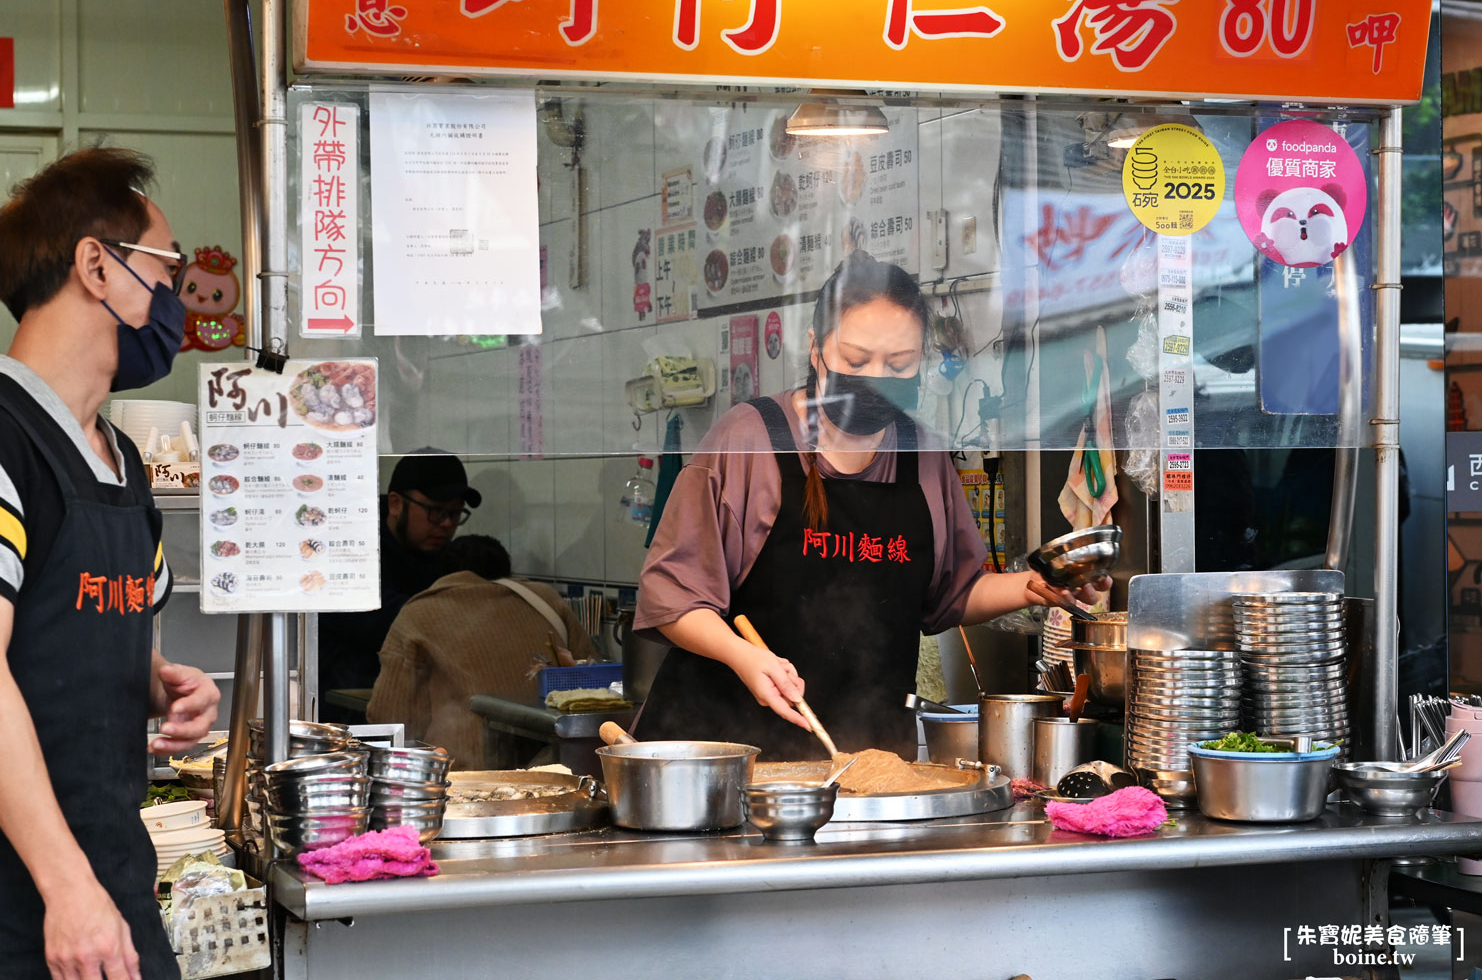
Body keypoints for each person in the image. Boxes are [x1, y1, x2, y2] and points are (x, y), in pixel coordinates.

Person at [634, 253, 1106, 759]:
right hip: (721, 754)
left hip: (863, 756)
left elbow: (951, 593)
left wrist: (1038, 586)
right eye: (856, 362)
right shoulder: (752, 440)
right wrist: (744, 658)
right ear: (816, 350)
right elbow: (673, 598)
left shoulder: (921, 454)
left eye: (898, 365)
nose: (875, 378)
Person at [0, 147, 221, 979]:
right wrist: (67, 890)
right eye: (168, 266)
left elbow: (80, 629)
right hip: (33, 908)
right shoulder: (7, 441)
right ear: (97, 264)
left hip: (112, 881)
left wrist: (157, 677)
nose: (175, 297)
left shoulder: (125, 461)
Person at [367, 535, 593, 769]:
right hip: (554, 768)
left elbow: (390, 717)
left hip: (463, 774)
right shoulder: (546, 602)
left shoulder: (418, 615)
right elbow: (593, 680)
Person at [318, 452, 480, 720]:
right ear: (395, 504)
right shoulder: (351, 547)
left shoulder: (445, 555)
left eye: (455, 513)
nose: (447, 524)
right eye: (436, 511)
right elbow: (389, 621)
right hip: (347, 713)